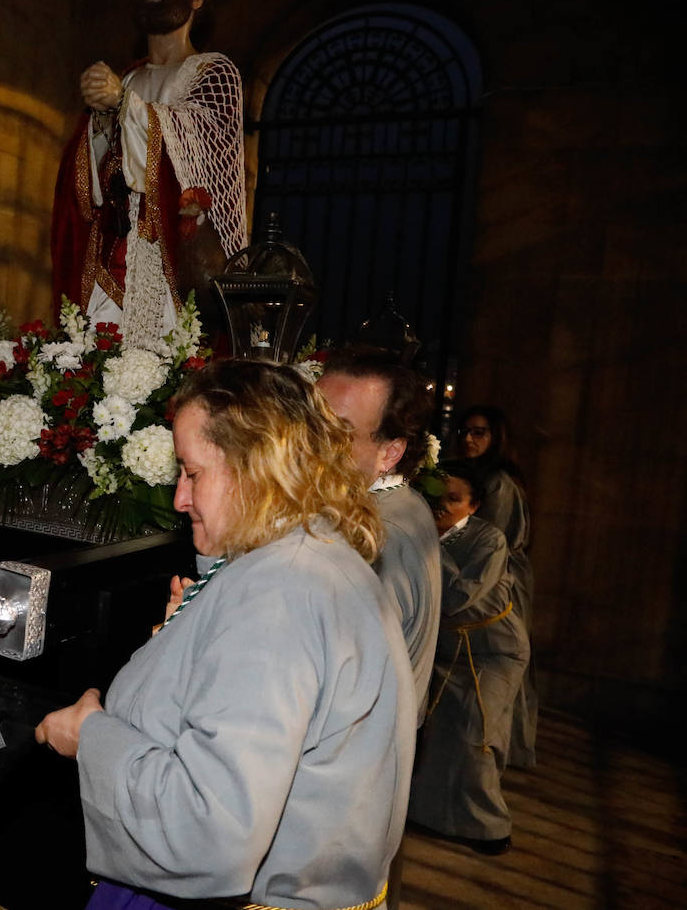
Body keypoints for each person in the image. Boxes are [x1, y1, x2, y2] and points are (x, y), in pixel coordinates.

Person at [36, 360, 414, 909]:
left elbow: (207, 830)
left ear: (255, 466)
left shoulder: (279, 593)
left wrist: (90, 736)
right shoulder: (310, 556)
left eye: (193, 474)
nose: (179, 500)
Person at [51, 0, 247, 349]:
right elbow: (88, 181)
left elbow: (201, 152)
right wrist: (100, 119)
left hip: (170, 254)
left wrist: (125, 105)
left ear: (197, 0)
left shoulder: (214, 72)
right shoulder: (126, 77)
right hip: (112, 253)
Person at [407, 458, 529, 855]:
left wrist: (428, 545)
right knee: (439, 734)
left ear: (474, 506)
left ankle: (490, 827)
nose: (442, 508)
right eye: (437, 499)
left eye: (454, 500)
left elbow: (459, 597)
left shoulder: (489, 540)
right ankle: (429, 815)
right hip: (446, 646)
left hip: (493, 648)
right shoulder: (422, 532)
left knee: (476, 733)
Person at [317, 352, 442, 728]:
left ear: (389, 452)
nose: (309, 443)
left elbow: (348, 693)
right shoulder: (396, 504)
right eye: (309, 423)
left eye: (336, 432)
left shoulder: (376, 534)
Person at [458, 405, 537, 768]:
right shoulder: (475, 475)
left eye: (479, 432)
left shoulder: (499, 483)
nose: (469, 439)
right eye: (466, 431)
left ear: (495, 439)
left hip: (499, 578)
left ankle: (501, 752)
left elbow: (491, 540)